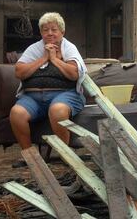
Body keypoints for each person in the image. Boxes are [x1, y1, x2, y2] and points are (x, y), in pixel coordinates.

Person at [10, 12, 87, 150]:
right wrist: (44, 59)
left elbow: (74, 74)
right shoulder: (34, 49)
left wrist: (55, 60)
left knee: (57, 110)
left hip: (64, 95)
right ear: (41, 33)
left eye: (54, 29)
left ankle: (66, 155)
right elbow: (19, 72)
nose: (50, 33)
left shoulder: (69, 48)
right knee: (17, 113)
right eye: (45, 30)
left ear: (62, 32)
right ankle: (30, 156)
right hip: (32, 98)